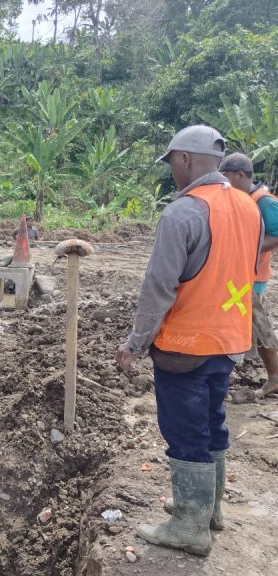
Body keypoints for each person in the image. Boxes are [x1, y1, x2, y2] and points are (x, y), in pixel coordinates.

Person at [115, 125, 262, 556]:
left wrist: (136, 343)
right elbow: (245, 270)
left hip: (186, 344)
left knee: (185, 434)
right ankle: (209, 511)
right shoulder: (246, 206)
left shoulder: (183, 213)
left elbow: (158, 288)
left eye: (171, 164)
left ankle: (190, 526)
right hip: (230, 339)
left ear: (183, 159)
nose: (171, 173)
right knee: (213, 424)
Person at [220, 152, 278, 397]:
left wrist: (247, 250)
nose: (223, 182)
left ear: (240, 175)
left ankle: (275, 377)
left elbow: (275, 235)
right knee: (242, 322)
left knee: (259, 322)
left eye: (227, 176)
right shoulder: (244, 199)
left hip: (252, 277)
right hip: (240, 275)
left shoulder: (262, 200)